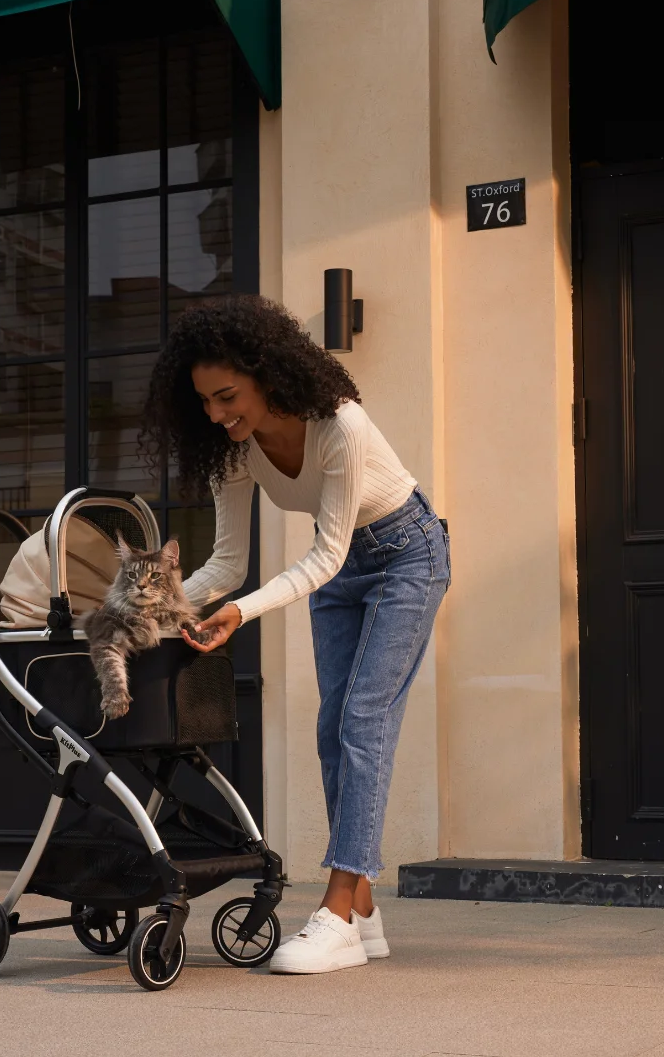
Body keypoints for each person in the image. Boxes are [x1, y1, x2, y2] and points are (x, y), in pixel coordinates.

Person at [142, 295, 450, 975]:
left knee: (363, 721)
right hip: (336, 569)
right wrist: (155, 611)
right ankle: (364, 911)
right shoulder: (232, 450)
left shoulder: (340, 424)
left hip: (407, 555)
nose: (218, 415)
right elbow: (226, 565)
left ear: (268, 375)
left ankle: (336, 913)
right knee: (330, 726)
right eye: (205, 402)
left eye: (228, 396)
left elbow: (326, 556)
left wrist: (241, 613)